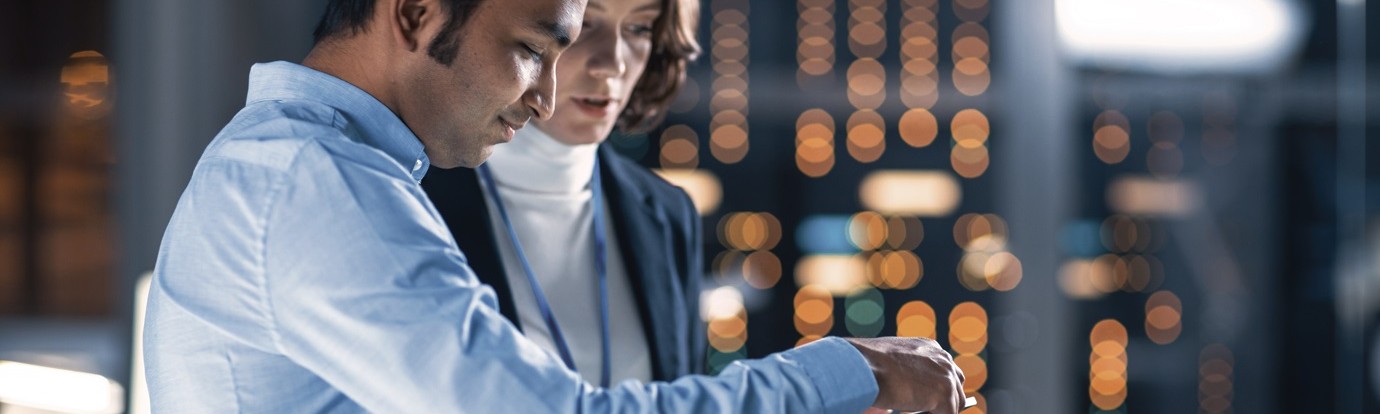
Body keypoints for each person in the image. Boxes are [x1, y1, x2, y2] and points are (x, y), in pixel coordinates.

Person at [141, 0, 968, 412]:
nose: (546, 98)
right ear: (418, 12)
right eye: (534, 50)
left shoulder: (333, 171)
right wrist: (843, 372)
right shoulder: (315, 184)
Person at [419, 0, 703, 385]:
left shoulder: (669, 213)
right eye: (585, 24)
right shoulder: (414, 192)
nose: (613, 63)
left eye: (640, 28)